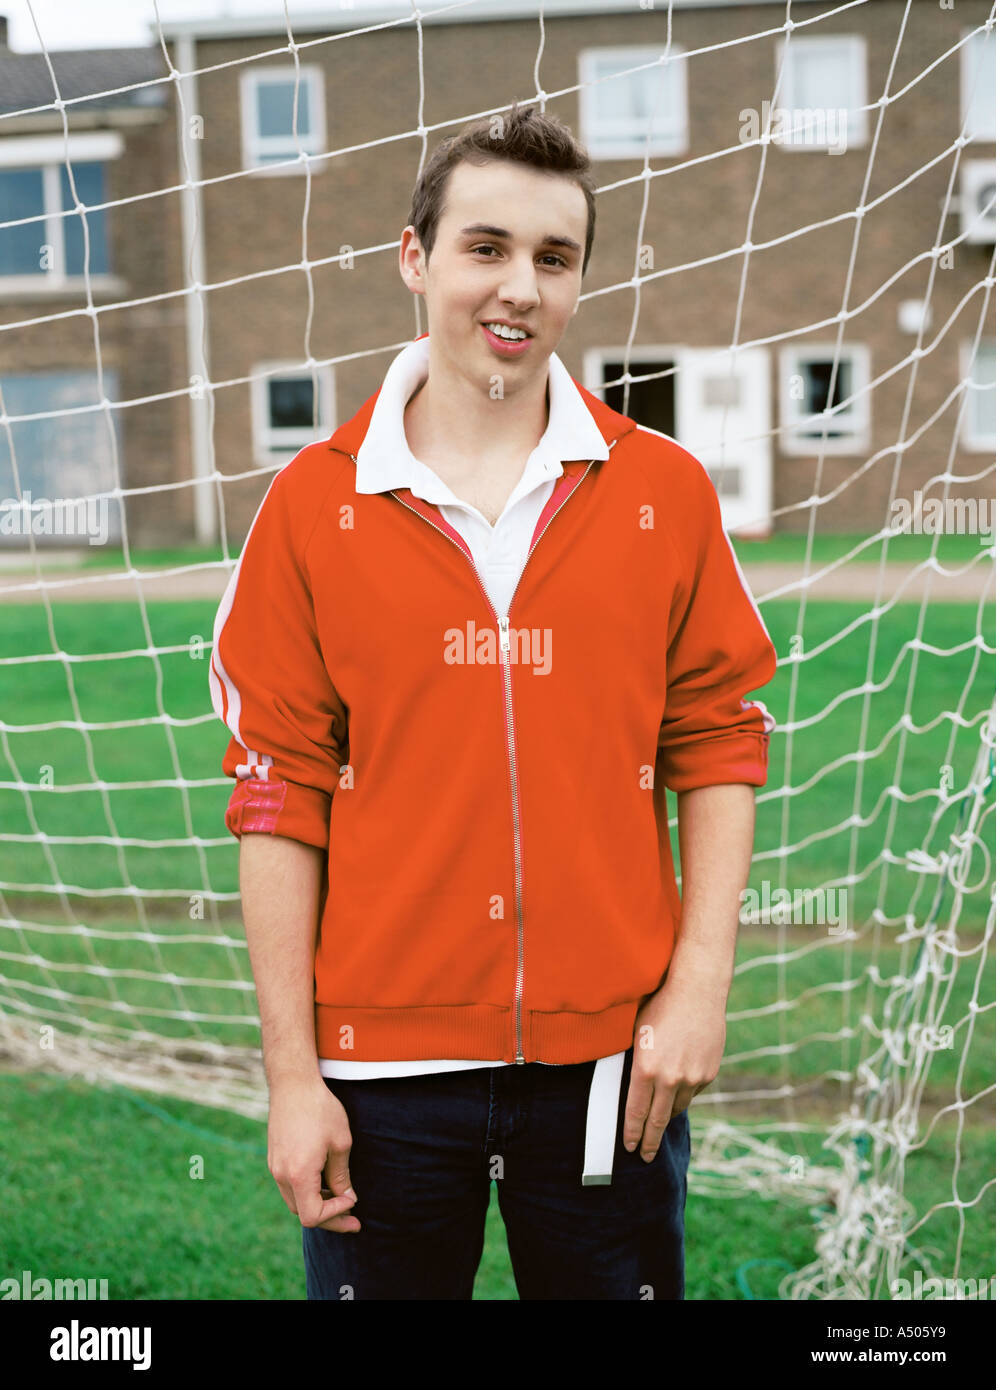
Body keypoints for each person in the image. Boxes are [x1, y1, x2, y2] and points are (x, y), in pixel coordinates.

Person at [209, 102, 777, 1301]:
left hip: (608, 1068)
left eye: (552, 258)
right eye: (485, 248)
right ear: (415, 259)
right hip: (382, 1079)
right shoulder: (316, 506)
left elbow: (719, 735)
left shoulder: (660, 491)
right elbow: (276, 790)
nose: (517, 286)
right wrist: (292, 1075)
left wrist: (699, 984)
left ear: (576, 282)